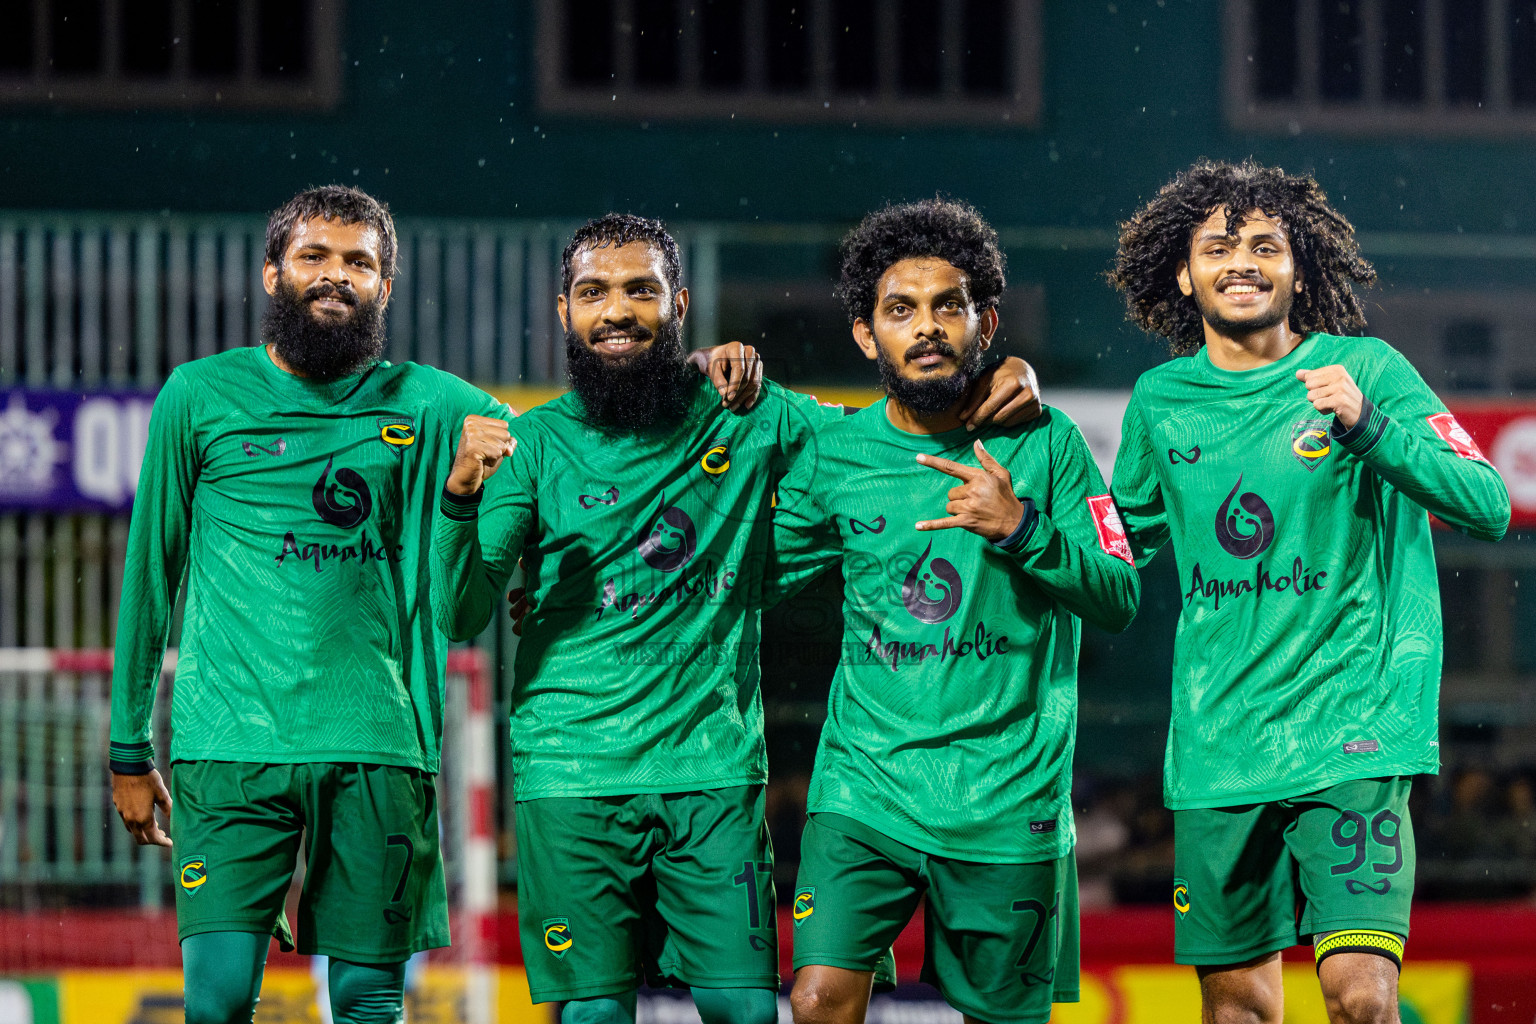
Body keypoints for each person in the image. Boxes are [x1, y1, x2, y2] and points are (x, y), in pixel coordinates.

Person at [107, 186, 760, 1024]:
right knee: (219, 998)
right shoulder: (197, 398)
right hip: (228, 745)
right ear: (273, 274)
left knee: (368, 1001)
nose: (336, 277)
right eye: (315, 257)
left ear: (386, 286)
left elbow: (573, 442)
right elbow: (148, 577)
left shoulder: (437, 403)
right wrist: (130, 747)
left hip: (382, 744)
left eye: (360, 263)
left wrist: (687, 376)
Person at [429, 213, 1042, 1024]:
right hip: (570, 774)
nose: (617, 310)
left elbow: (894, 437)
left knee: (748, 1012)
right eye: (593, 293)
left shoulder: (749, 410)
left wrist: (1009, 378)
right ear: (563, 312)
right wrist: (460, 495)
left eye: (641, 290)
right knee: (591, 1016)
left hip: (713, 770)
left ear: (679, 302)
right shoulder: (530, 446)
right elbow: (462, 608)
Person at [1106, 160, 1511, 1024]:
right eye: (1217, 246)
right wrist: (1025, 524)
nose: (1241, 261)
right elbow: (1116, 553)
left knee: (1359, 1000)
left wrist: (1369, 426)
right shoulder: (1159, 400)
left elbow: (1483, 501)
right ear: (1183, 274)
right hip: (1220, 746)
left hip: (1352, 734)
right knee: (1237, 1013)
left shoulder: (1364, 367)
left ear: (1299, 267)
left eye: (1264, 244)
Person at [767, 199, 1139, 1024]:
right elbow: (751, 579)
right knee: (819, 999)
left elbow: (1119, 595)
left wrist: (1021, 528)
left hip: (1006, 799)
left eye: (949, 306)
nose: (927, 327)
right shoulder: (835, 455)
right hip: (866, 787)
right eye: (901, 310)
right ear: (867, 335)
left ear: (986, 322)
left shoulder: (1050, 443)